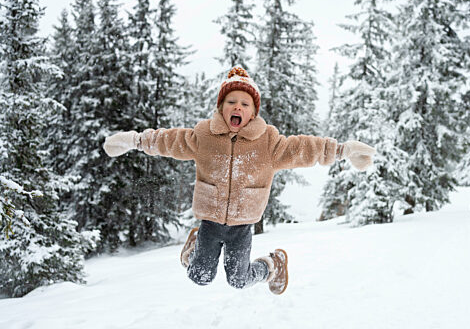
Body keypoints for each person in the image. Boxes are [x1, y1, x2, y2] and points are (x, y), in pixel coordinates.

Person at [103, 66, 375, 295]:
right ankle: (194, 247)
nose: (237, 107)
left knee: (238, 280)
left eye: (245, 104)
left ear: (253, 112)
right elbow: (168, 140)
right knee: (199, 276)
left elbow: (304, 148)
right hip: (210, 221)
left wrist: (342, 150)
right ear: (221, 107)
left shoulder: (268, 143)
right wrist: (135, 141)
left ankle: (273, 264)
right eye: (231, 101)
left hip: (242, 226)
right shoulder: (204, 138)